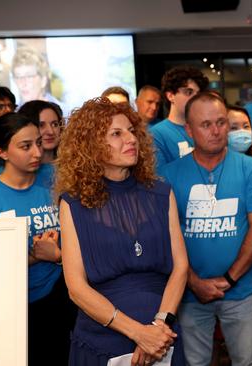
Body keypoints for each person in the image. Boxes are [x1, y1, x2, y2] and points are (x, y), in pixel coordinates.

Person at [56, 98, 188, 365]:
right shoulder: (73, 203)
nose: (131, 139)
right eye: (116, 133)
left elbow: (181, 267)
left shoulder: (162, 193)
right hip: (102, 338)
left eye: (131, 131)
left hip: (163, 335)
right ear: (91, 145)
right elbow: (76, 288)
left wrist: (159, 328)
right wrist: (139, 333)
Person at [159, 92, 252, 366]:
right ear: (189, 130)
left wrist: (229, 279)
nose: (216, 131)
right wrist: (194, 282)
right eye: (206, 124)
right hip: (187, 292)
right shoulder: (169, 175)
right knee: (196, 363)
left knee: (246, 361)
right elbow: (164, 239)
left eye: (221, 122)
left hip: (240, 290)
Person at [0, 112, 74, 364]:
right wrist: (34, 256)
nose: (37, 152)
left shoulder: (56, 185)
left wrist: (57, 256)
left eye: (38, 142)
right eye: (26, 146)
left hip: (61, 296)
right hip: (15, 308)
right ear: (0, 151)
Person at [151, 66, 208, 167]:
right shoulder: (156, 134)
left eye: (198, 94)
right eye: (188, 92)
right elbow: (160, 178)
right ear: (170, 96)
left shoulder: (206, 129)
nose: (195, 98)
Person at [18, 100, 64, 187]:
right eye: (41, 125)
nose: (50, 132)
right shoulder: (16, 171)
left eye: (55, 124)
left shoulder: (72, 167)